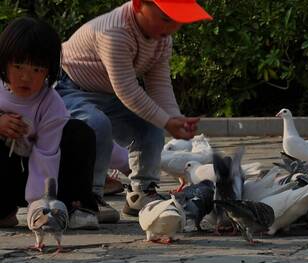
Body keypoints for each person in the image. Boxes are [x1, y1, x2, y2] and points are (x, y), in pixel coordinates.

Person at [56, 0, 211, 216]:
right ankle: (88, 197)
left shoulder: (161, 38)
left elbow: (159, 83)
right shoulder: (115, 32)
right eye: (165, 19)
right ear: (139, 6)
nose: (171, 28)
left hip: (110, 93)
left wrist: (174, 118)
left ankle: (142, 192)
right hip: (72, 88)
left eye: (178, 21)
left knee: (150, 123)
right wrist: (166, 121)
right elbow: (127, 90)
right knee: (95, 125)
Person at [0, 17, 101, 229]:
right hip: (7, 176)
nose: (26, 77)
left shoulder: (50, 103)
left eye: (37, 70)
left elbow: (46, 154)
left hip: (44, 175)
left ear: (49, 70)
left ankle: (76, 206)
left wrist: (40, 205)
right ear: (4, 62)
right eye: (18, 66)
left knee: (79, 132)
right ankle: (3, 210)